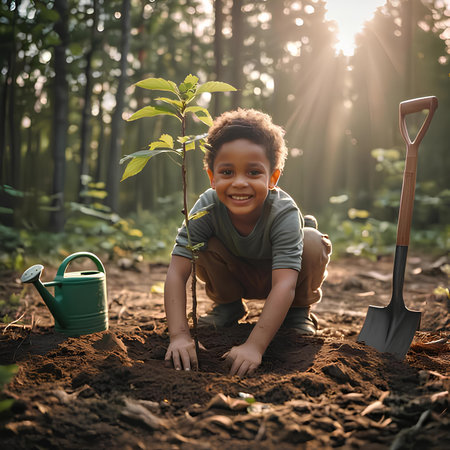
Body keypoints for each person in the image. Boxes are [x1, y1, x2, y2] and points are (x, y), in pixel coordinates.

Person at [164, 108, 332, 377]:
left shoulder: (283, 212)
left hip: (282, 280)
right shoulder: (206, 207)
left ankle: (298, 314)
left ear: (273, 178)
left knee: (311, 240)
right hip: (235, 275)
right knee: (200, 243)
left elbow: (285, 283)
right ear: (212, 177)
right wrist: (179, 335)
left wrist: (254, 346)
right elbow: (177, 270)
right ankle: (228, 307)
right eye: (227, 172)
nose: (239, 183)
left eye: (254, 172)